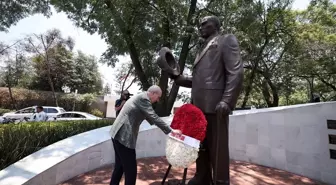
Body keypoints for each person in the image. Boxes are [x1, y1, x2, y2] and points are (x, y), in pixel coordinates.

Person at [160, 16, 244, 185]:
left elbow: (236, 72)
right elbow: (200, 80)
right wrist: (178, 77)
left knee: (217, 148)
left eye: (205, 23)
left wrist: (227, 101)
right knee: (200, 145)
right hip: (198, 106)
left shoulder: (226, 40)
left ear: (216, 25)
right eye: (200, 24)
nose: (200, 26)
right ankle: (203, 176)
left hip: (216, 106)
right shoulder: (201, 49)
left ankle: (220, 181)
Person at [109, 85, 182, 185]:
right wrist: (171, 131)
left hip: (117, 133)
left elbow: (150, 117)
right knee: (131, 170)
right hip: (124, 137)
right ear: (153, 93)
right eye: (158, 97)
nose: (157, 100)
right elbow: (154, 117)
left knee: (120, 166)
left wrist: (161, 124)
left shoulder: (141, 97)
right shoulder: (144, 99)